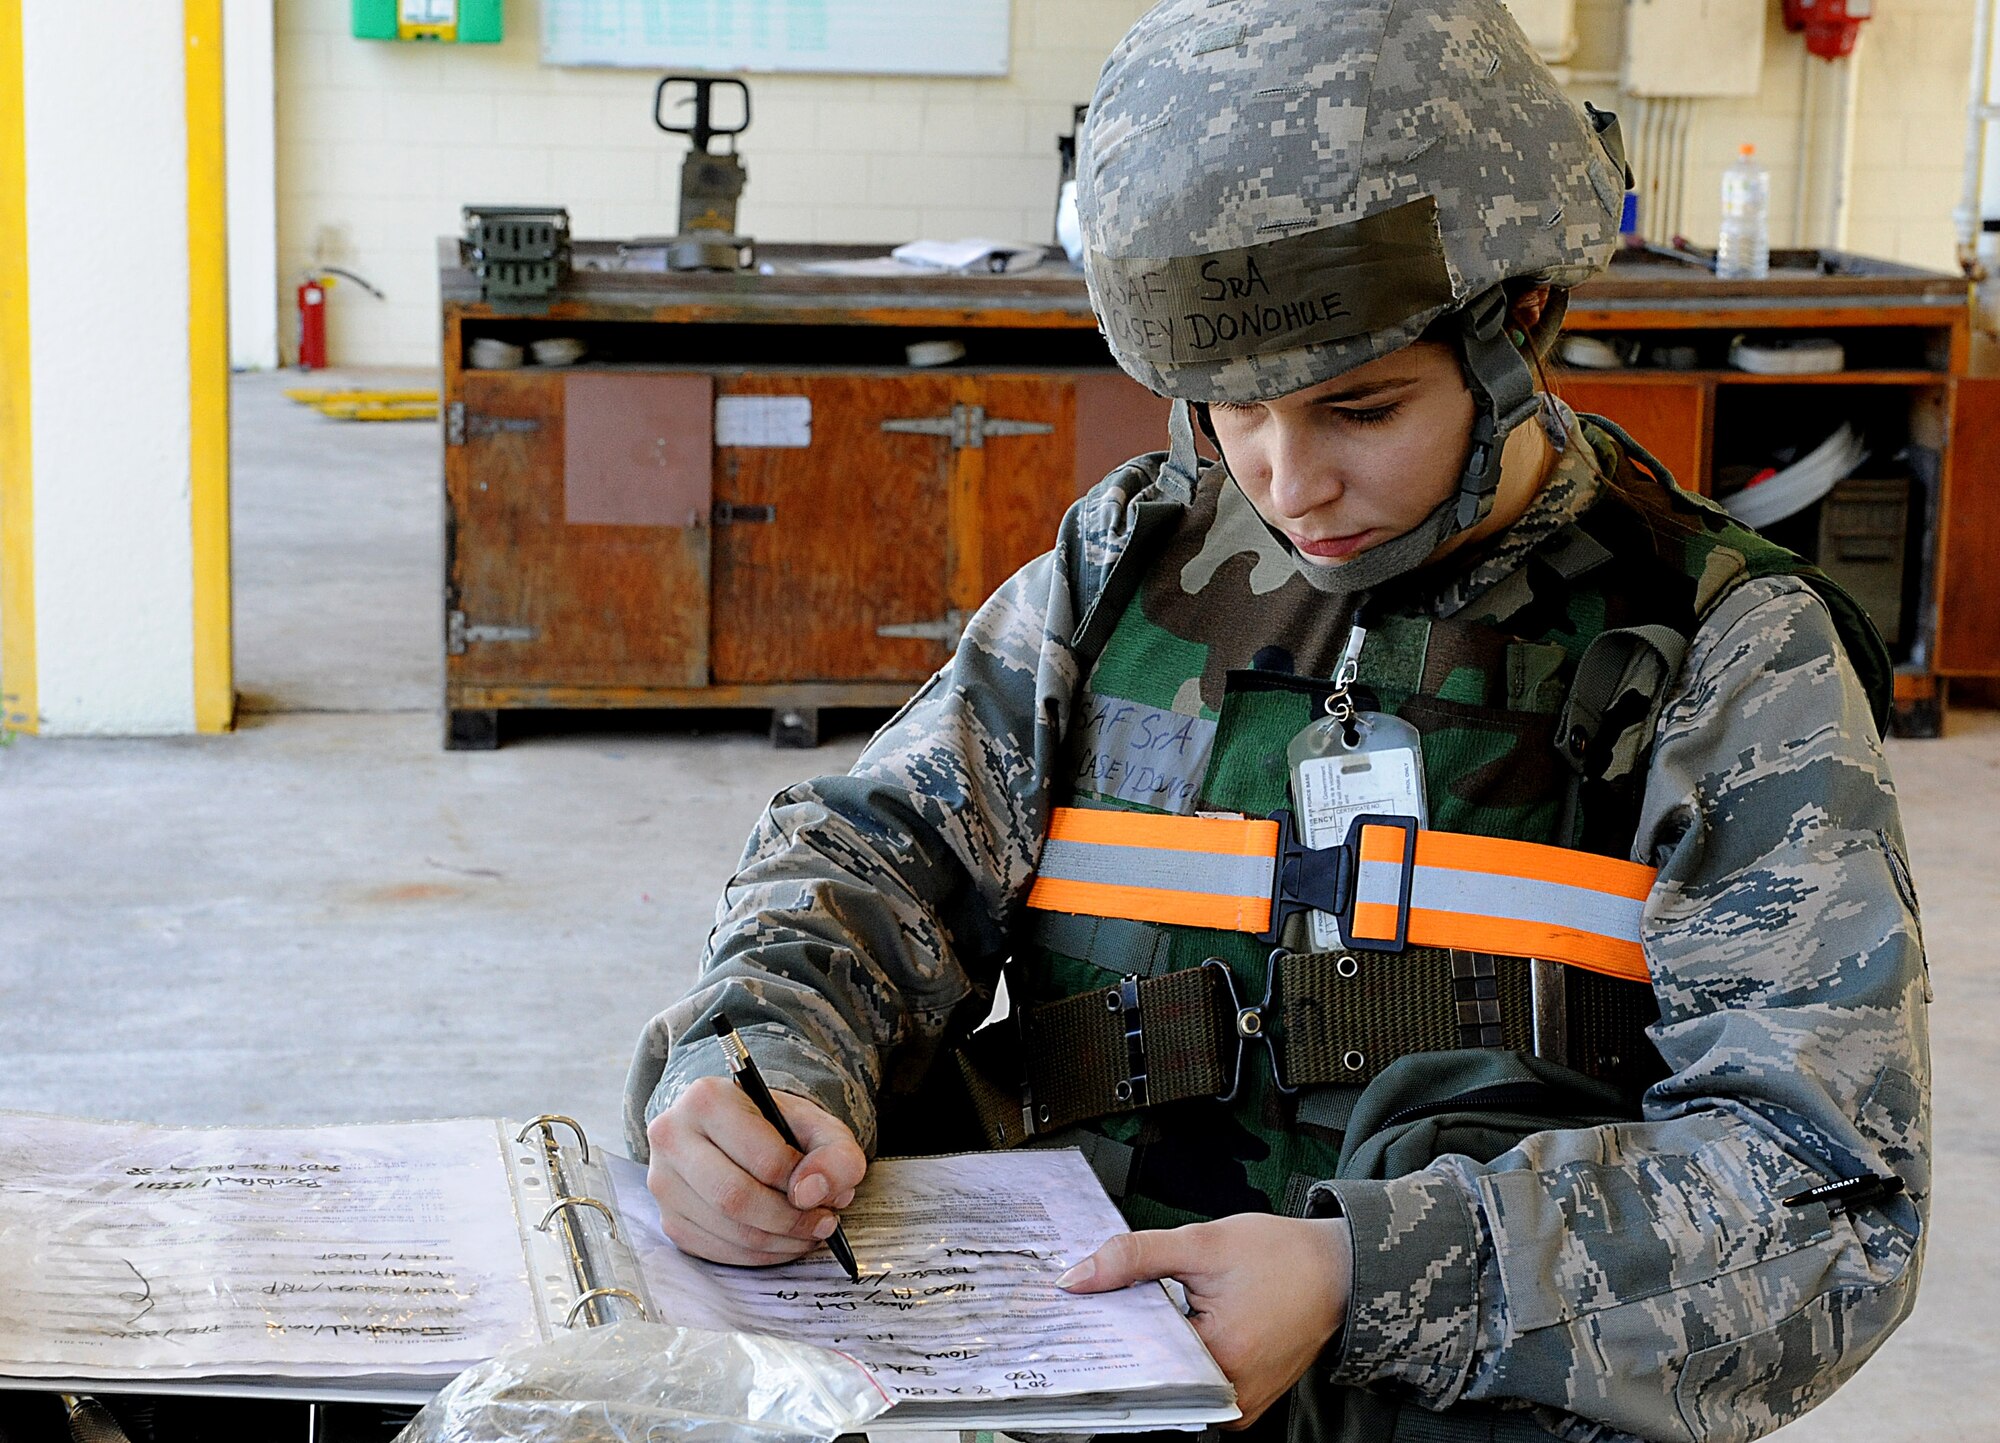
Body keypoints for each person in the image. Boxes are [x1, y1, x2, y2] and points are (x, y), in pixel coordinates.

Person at [625, 1, 1931, 1438]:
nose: (1285, 481)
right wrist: (759, 1071)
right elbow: (863, 866)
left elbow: (1824, 1194)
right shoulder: (1124, 564)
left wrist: (1364, 1276)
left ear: (1526, 327)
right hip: (1060, 1377)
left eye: (1361, 409)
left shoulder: (1725, 651)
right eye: (1224, 410)